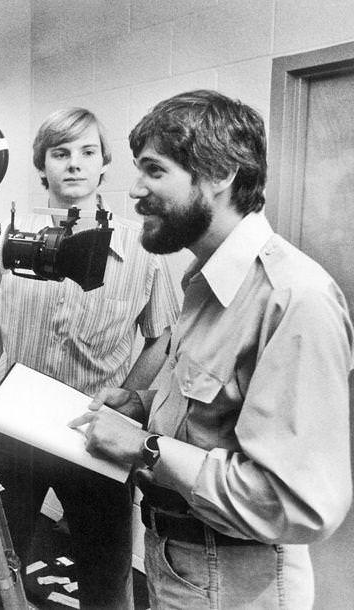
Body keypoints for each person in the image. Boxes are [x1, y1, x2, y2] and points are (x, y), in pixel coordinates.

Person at [71, 89, 353, 609]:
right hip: (178, 559)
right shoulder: (206, 279)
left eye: (155, 171)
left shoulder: (293, 299)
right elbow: (214, 410)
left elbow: (297, 505)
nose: (135, 191)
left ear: (220, 174)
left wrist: (146, 449)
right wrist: (145, 406)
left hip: (235, 580)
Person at [0, 107, 180, 609]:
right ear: (41, 164)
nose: (74, 165)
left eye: (87, 152)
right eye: (61, 153)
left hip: (98, 432)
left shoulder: (142, 245)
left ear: (104, 164)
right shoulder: (9, 237)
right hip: (17, 426)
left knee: (105, 572)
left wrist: (125, 405)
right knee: (0, 563)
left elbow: (161, 336)